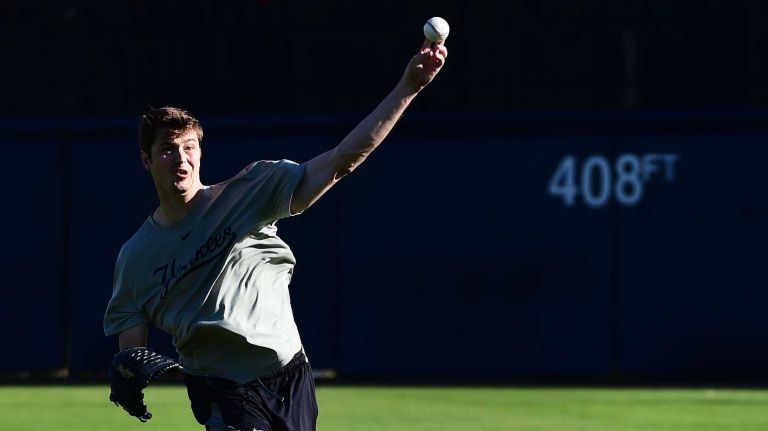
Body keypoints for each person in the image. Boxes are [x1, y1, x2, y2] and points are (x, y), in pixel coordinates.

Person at [103, 37, 447, 431]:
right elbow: (131, 345)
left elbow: (341, 161)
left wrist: (408, 88)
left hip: (290, 375)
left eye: (189, 146)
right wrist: (129, 369)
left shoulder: (249, 192)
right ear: (146, 160)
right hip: (222, 390)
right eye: (167, 149)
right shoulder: (136, 255)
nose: (180, 158)